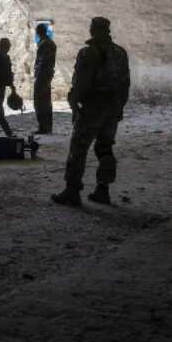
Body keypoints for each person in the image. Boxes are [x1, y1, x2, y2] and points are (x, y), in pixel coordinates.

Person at [52, 17, 130, 206]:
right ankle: (103, 189)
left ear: (94, 30)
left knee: (78, 148)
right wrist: (119, 107)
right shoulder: (120, 53)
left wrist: (74, 103)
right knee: (105, 148)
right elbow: (125, 83)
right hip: (112, 107)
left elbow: (81, 83)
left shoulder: (89, 53)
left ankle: (72, 191)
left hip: (93, 108)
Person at [33, 23, 57, 135]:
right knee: (46, 101)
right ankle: (48, 127)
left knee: (39, 101)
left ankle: (43, 127)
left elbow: (42, 62)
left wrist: (37, 74)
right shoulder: (51, 43)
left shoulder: (44, 44)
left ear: (39, 32)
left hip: (42, 75)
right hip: (47, 75)